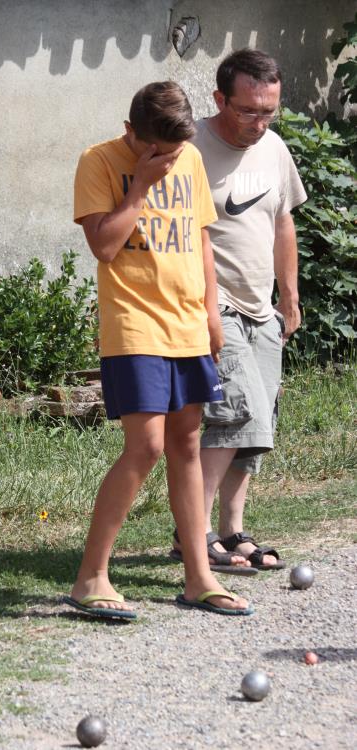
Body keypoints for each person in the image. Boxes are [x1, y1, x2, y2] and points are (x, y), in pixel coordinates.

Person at [65, 81, 253, 620]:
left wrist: (212, 314)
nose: (169, 160)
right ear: (131, 134)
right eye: (157, 151)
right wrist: (140, 186)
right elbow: (104, 246)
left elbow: (199, 239)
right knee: (144, 447)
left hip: (188, 322)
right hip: (134, 324)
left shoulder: (189, 157)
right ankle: (90, 578)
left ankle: (199, 577)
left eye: (174, 152)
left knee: (187, 445)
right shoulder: (98, 161)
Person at [170, 49, 307, 573]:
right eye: (248, 110)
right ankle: (193, 536)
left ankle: (231, 530)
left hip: (260, 307)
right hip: (211, 304)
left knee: (258, 424)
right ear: (219, 99)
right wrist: (200, 307)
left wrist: (288, 297)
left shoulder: (273, 147)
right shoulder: (190, 151)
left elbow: (282, 224)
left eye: (268, 110)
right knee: (235, 411)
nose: (259, 122)